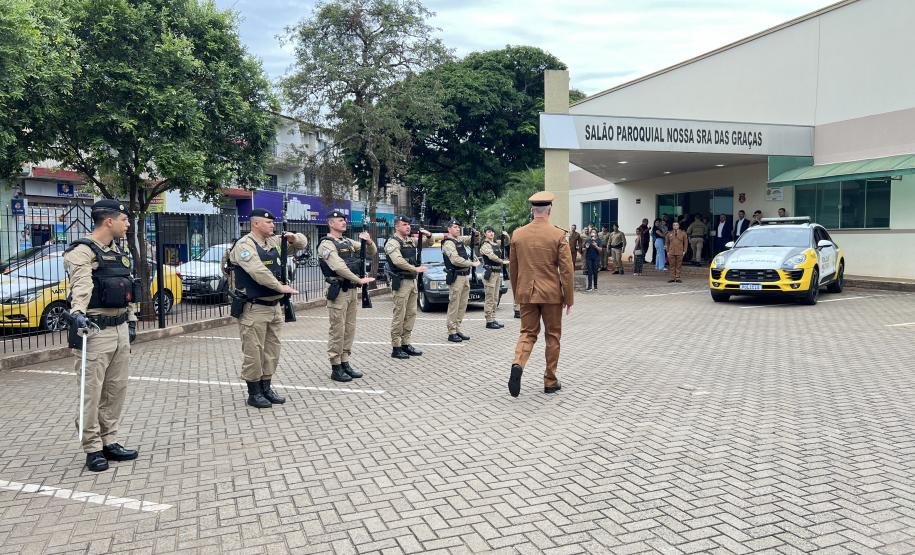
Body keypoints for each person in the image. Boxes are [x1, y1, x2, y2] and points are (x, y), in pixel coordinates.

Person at [63, 200, 140, 472]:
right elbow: (81, 284)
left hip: (119, 329)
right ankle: (92, 447)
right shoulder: (82, 251)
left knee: (115, 390)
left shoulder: (117, 251)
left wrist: (131, 320)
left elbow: (128, 288)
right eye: (124, 220)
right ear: (109, 221)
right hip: (94, 331)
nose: (127, 224)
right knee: (91, 393)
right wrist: (77, 311)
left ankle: (109, 441)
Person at [226, 208, 307, 406]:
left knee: (272, 350)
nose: (273, 225)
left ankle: (266, 387)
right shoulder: (245, 245)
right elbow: (258, 271)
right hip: (254, 307)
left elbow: (302, 244)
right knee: (254, 351)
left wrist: (293, 238)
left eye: (273, 222)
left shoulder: (272, 241)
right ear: (255, 223)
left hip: (274, 306)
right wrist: (280, 287)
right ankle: (254, 393)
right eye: (268, 222)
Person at [508, 191, 574, 397]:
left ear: (532, 211)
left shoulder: (517, 234)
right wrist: (569, 298)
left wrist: (517, 294)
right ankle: (550, 381)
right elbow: (567, 270)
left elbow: (513, 269)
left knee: (527, 333)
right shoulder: (558, 235)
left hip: (526, 293)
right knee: (552, 336)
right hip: (551, 295)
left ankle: (518, 364)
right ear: (549, 211)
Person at [318, 210, 377, 382]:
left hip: (351, 290)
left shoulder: (347, 242)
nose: (344, 222)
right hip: (339, 291)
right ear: (331, 223)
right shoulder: (326, 244)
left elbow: (371, 252)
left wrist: (369, 241)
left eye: (344, 220)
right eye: (339, 220)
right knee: (337, 329)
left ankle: (345, 361)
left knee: (349, 328)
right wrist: (359, 280)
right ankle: (336, 366)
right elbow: (338, 267)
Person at [384, 215, 430, 359]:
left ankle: (406, 343)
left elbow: (427, 243)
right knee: (400, 314)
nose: (408, 226)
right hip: (401, 281)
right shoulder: (392, 242)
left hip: (412, 281)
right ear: (397, 226)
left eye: (408, 224)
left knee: (411, 314)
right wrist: (415, 268)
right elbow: (397, 261)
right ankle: (396, 347)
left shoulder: (409, 241)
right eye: (404, 224)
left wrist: (429, 235)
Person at [441, 219, 480, 342]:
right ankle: (451, 331)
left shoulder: (459, 240)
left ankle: (457, 329)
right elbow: (455, 260)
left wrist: (476, 234)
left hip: (464, 276)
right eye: (455, 227)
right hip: (456, 276)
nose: (457, 229)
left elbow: (473, 240)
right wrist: (471, 263)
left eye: (458, 227)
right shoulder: (448, 243)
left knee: (462, 304)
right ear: (449, 229)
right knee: (454, 304)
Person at [480, 226, 510, 329]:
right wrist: (502, 261)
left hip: (497, 273)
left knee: (495, 298)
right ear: (485, 234)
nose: (491, 233)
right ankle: (489, 320)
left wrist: (506, 235)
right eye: (489, 232)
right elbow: (491, 256)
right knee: (490, 298)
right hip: (490, 273)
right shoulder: (485, 245)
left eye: (492, 231)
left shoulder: (496, 243)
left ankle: (493, 318)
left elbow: (506, 242)